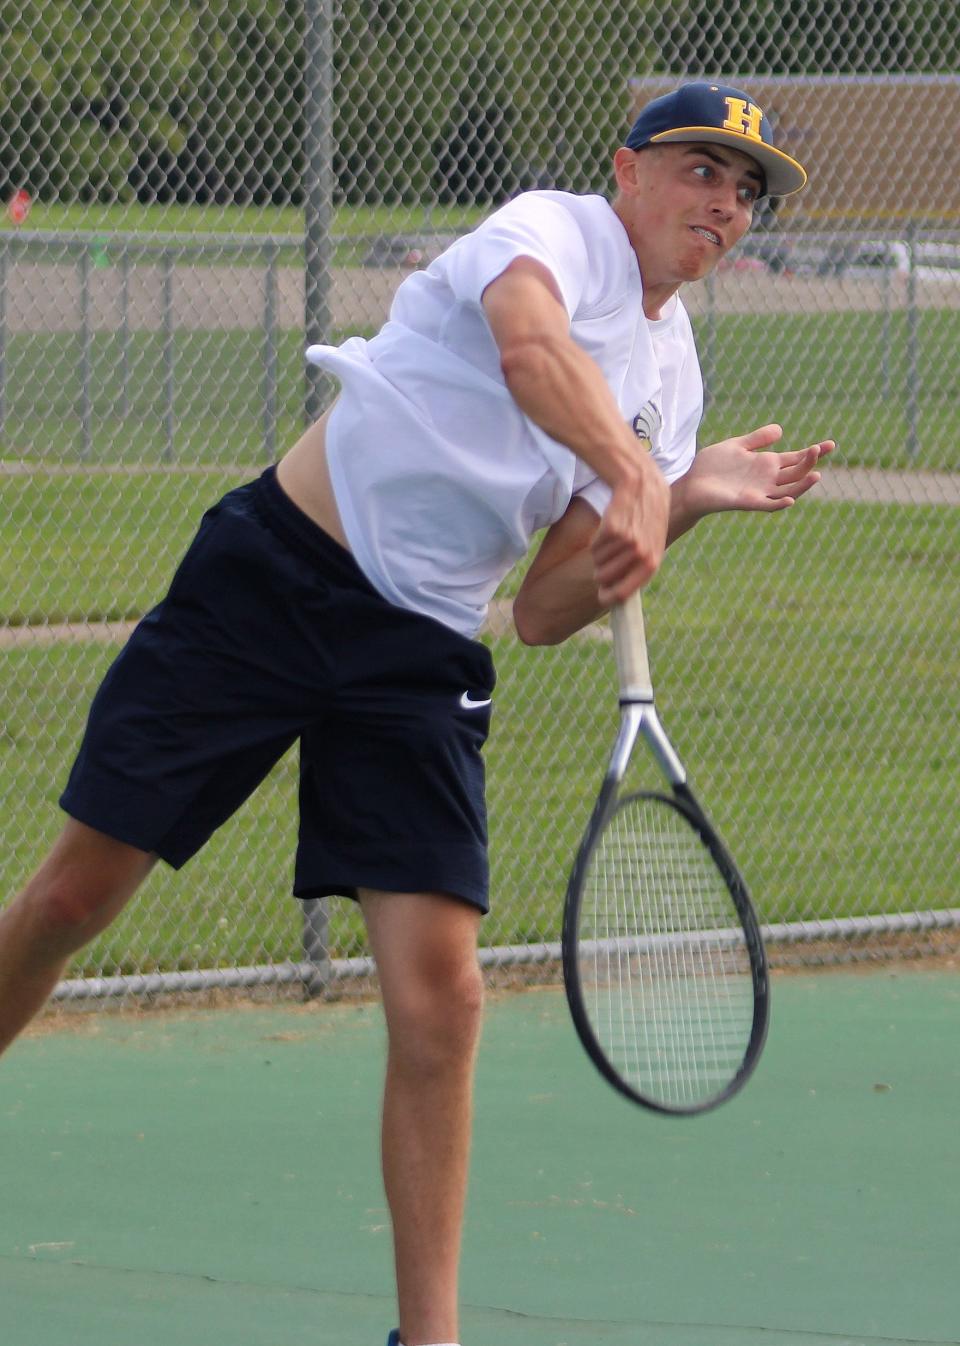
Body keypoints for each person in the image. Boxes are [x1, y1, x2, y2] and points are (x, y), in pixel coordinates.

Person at [0, 81, 831, 1346]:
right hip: (272, 574)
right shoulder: (548, 230)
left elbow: (549, 608)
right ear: (630, 170)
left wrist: (688, 493)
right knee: (72, 898)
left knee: (441, 993)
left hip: (420, 651)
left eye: (748, 191)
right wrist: (634, 474)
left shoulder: (673, 378)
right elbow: (528, 350)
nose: (725, 202)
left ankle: (425, 1339)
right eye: (703, 169)